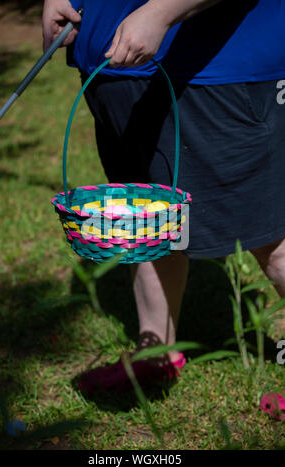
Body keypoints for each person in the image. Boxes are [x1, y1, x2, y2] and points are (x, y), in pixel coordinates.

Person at [42, 0, 285, 394]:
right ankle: (154, 353)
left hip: (215, 70)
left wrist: (161, 12)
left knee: (269, 237)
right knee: (149, 221)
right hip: (118, 71)